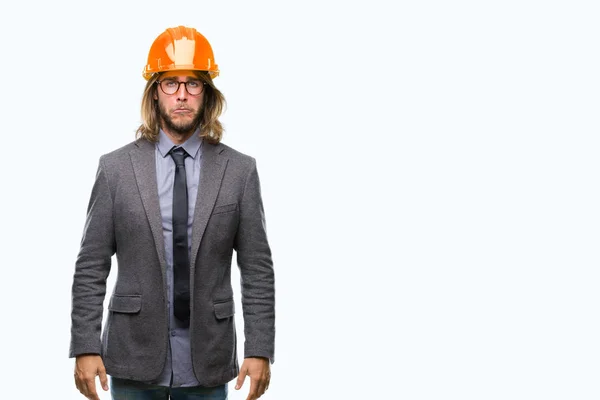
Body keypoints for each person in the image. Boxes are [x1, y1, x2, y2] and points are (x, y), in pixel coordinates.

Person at [69, 25, 275, 400]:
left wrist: (259, 349)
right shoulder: (116, 169)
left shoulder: (240, 171)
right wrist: (85, 344)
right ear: (154, 92)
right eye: (171, 83)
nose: (182, 95)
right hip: (132, 357)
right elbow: (90, 265)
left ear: (207, 94)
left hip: (207, 361)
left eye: (193, 83)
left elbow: (258, 268)